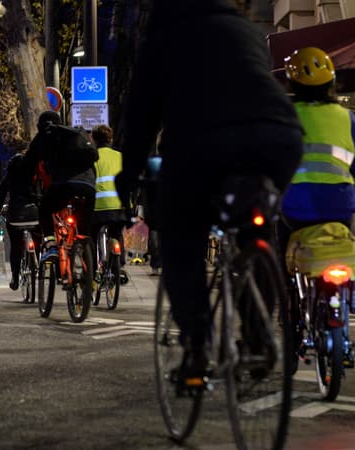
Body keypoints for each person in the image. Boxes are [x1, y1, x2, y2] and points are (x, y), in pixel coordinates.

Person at [115, 0, 304, 380]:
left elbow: (141, 114)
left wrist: (128, 177)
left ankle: (197, 346)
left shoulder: (164, 34)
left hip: (203, 140)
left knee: (182, 243)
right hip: (279, 136)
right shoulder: (249, 30)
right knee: (257, 228)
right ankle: (257, 336)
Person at [281, 47, 355, 366]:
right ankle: (343, 320)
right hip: (340, 206)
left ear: (292, 85)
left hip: (294, 210)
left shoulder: (284, 115)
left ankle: (294, 328)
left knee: (289, 266)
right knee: (344, 256)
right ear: (331, 83)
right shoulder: (346, 118)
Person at [24, 111, 99, 259]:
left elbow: (28, 164)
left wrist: (28, 191)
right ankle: (91, 269)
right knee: (85, 231)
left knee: (45, 209)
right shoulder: (75, 134)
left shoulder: (45, 136)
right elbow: (94, 158)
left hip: (62, 185)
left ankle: (51, 245)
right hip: (88, 187)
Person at [0, 151, 42, 291]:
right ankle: (37, 261)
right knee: (38, 239)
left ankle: (15, 276)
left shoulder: (9, 176)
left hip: (15, 215)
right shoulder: (33, 175)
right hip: (34, 214)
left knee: (16, 245)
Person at [91, 124, 129, 274]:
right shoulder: (120, 157)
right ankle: (118, 266)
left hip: (97, 207)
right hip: (118, 207)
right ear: (111, 139)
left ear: (94, 140)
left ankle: (93, 272)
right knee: (116, 233)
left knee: (92, 236)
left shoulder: (92, 158)